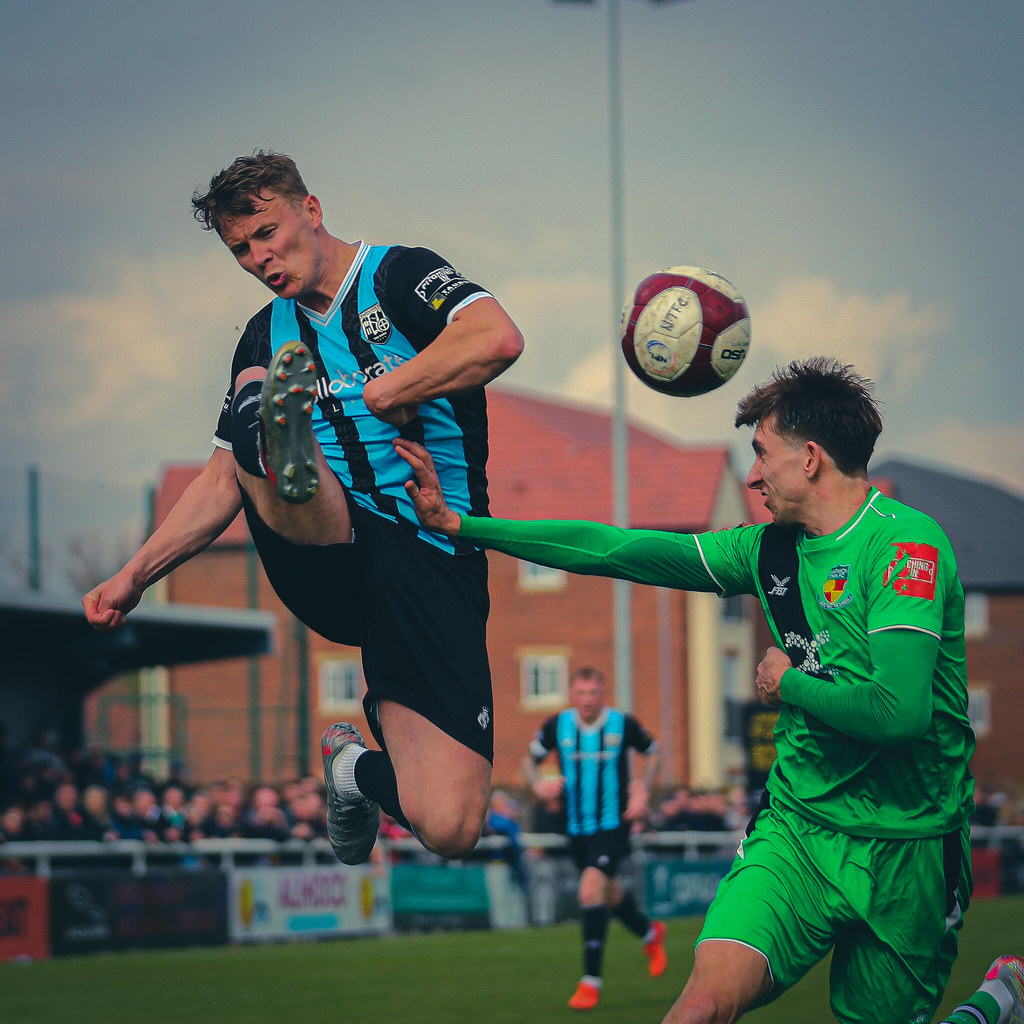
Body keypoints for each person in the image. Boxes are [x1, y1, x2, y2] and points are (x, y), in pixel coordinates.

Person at [395, 357, 1024, 1024]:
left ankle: (993, 1007)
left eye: (762, 453)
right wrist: (465, 527)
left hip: (911, 848)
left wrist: (790, 683)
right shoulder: (766, 550)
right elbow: (615, 549)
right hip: (799, 833)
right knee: (699, 1008)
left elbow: (898, 715)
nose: (752, 475)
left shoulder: (907, 549)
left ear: (809, 459)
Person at [82, 151, 524, 867]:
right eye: (241, 250)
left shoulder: (399, 275)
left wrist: (385, 391)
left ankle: (351, 771)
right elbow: (219, 481)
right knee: (263, 452)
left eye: (267, 233)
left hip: (437, 561)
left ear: (310, 211)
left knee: (451, 824)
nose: (259, 258)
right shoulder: (265, 334)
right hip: (330, 546)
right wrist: (134, 573)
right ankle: (274, 436)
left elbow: (497, 338)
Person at [521, 665, 667, 1011]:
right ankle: (650, 933)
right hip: (577, 830)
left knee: (590, 890)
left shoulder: (623, 724)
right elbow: (529, 762)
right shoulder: (558, 725)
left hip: (613, 825)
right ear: (573, 695)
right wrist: (538, 784)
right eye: (581, 694)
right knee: (609, 892)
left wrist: (642, 791)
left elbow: (655, 752)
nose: (587, 701)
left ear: (603, 695)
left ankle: (590, 982)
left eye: (593, 694)